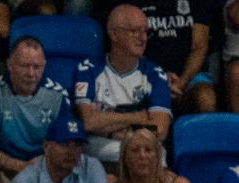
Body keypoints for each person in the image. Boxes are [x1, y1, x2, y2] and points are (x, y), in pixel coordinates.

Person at [70, 5, 171, 167]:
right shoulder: (88, 69)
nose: (143, 38)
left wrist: (111, 129)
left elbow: (160, 129)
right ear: (114, 34)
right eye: (135, 31)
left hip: (145, 156)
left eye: (146, 31)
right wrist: (137, 117)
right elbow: (89, 122)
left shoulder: (155, 74)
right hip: (102, 157)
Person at [0, 37, 71, 183]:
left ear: (44, 66)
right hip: (5, 167)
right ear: (10, 65)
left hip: (44, 167)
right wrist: (19, 167)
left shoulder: (58, 95)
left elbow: (67, 145)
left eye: (36, 67)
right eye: (24, 66)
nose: (31, 73)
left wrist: (41, 167)